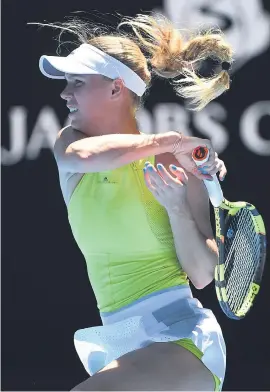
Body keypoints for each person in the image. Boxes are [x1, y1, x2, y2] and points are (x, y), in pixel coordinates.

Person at [37, 13, 232, 391]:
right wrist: (175, 141)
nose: (65, 93)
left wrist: (177, 208)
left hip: (184, 343)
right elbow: (90, 157)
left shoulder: (175, 164)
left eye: (77, 82)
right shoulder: (70, 144)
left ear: (116, 89)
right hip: (123, 344)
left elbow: (203, 273)